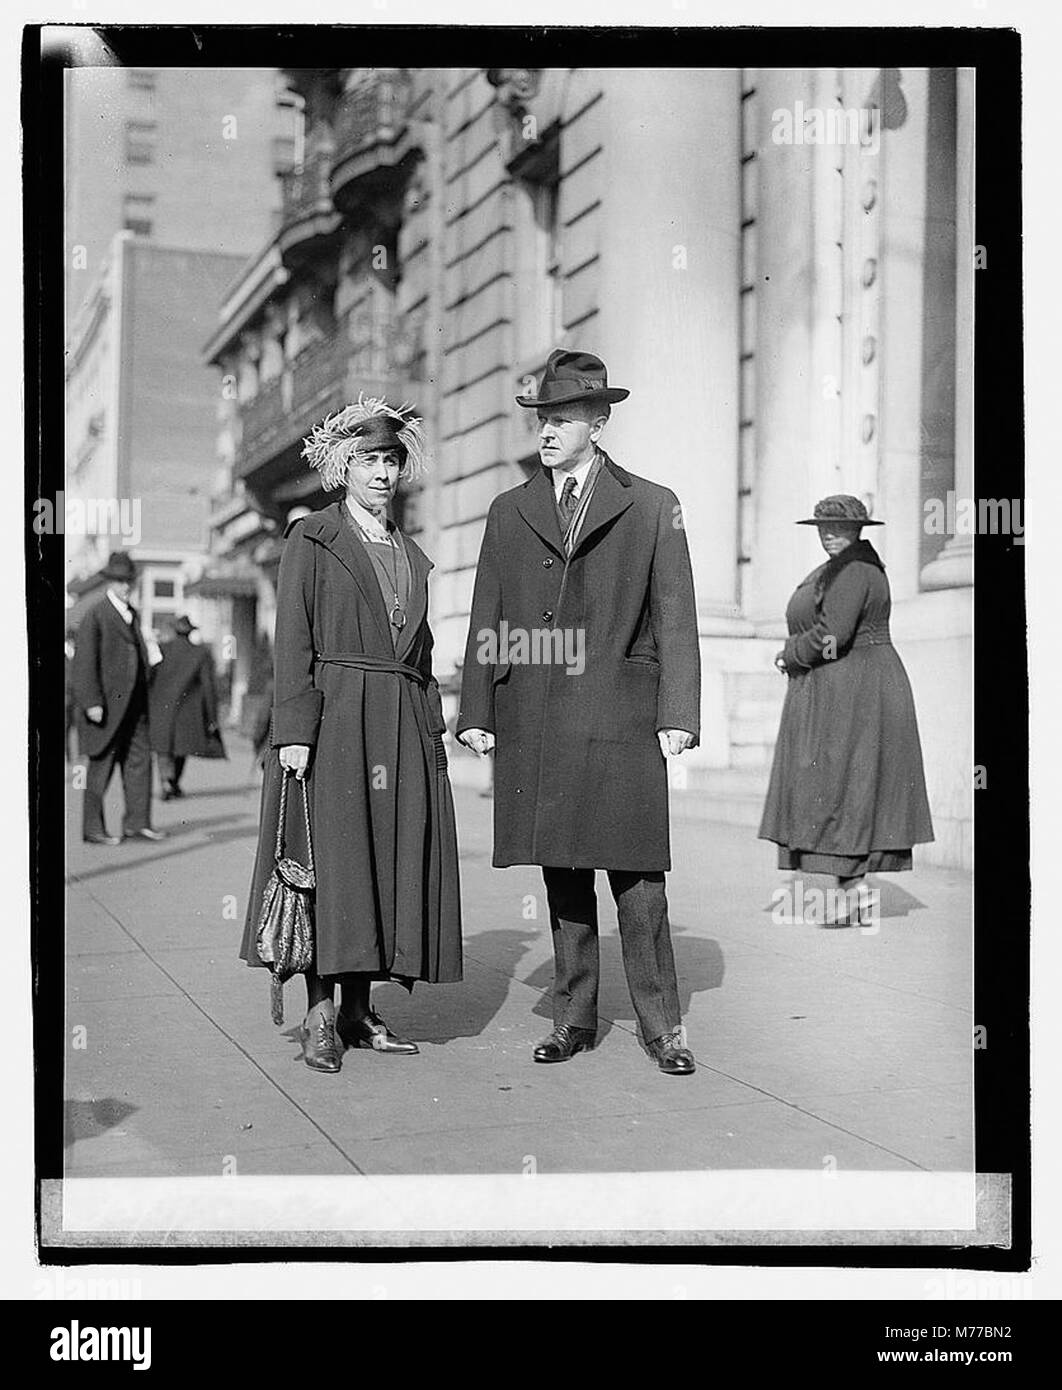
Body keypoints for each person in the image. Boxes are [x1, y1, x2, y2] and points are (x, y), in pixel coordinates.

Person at [458, 349, 701, 1076]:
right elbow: (486, 613)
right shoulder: (510, 509)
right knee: (562, 872)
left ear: (599, 421)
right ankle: (573, 1016)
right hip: (536, 713)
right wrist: (477, 708)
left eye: (563, 419)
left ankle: (662, 1025)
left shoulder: (654, 504)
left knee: (637, 878)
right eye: (542, 420)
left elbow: (678, 615)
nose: (548, 432)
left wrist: (678, 710)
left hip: (622, 713)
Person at [240, 396, 463, 1073]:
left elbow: (419, 654)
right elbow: (294, 641)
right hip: (335, 722)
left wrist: (433, 735)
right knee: (328, 865)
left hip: (397, 724)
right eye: (369, 460)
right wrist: (295, 730)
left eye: (391, 460)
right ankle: (319, 1017)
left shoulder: (411, 553)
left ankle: (361, 1011)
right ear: (343, 466)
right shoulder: (312, 537)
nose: (382, 473)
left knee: (382, 863)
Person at [758, 495, 934, 925]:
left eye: (838, 528)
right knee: (842, 785)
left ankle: (853, 893)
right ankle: (852, 893)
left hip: (856, 688)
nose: (829, 534)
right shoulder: (839, 568)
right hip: (844, 685)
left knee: (845, 785)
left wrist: (790, 654)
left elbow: (833, 634)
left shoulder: (856, 570)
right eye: (822, 527)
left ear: (859, 530)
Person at [71, 551, 165, 845]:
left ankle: (137, 824)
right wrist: (91, 702)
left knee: (139, 763)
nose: (126, 586)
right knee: (100, 766)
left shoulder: (131, 613)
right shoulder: (96, 614)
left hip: (135, 705)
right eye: (120, 581)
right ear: (109, 582)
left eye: (128, 580)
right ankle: (93, 828)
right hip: (107, 707)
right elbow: (84, 663)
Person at [148, 615, 226, 799]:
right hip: (188, 710)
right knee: (181, 749)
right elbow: (208, 686)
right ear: (190, 632)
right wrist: (212, 716)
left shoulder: (162, 649)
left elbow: (148, 677)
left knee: (164, 748)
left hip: (160, 706)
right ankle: (173, 782)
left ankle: (166, 781)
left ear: (175, 630)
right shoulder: (200, 653)